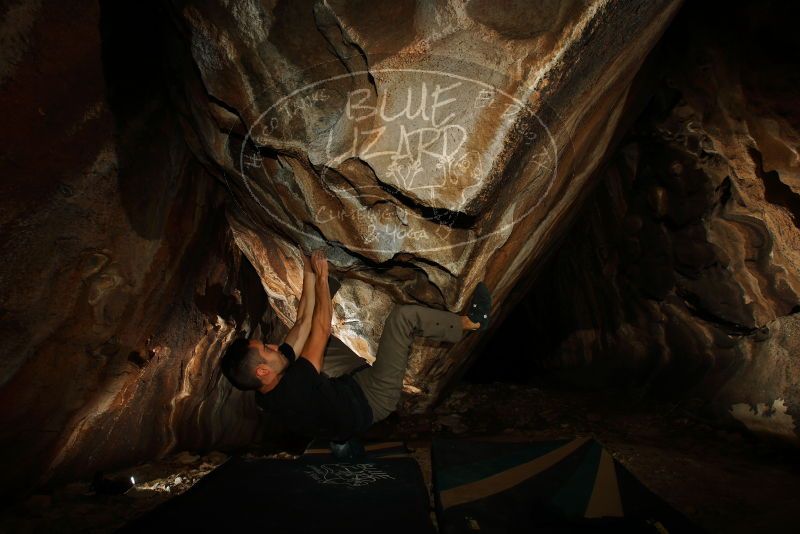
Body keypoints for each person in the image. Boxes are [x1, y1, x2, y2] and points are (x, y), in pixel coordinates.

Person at [220, 249, 491, 449]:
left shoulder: (267, 388)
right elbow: (319, 328)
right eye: (267, 349)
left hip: (343, 392)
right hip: (374, 398)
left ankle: (334, 285)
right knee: (403, 318)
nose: (273, 345)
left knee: (318, 345)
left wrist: (309, 272)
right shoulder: (293, 388)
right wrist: (323, 279)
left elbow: (302, 322)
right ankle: (470, 323)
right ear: (263, 370)